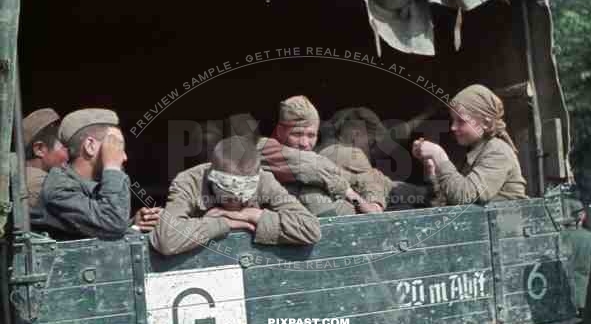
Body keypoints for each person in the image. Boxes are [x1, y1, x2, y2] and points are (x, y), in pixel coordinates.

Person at [150, 136, 321, 255]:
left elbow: (310, 228)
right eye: (229, 197)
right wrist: (224, 223)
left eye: (244, 197)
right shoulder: (188, 182)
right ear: (212, 177)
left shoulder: (265, 181)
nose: (237, 202)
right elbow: (167, 239)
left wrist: (252, 215)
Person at [31, 108, 160, 240]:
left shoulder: (88, 186)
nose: (124, 157)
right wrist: (112, 168)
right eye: (116, 146)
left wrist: (134, 225)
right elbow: (111, 224)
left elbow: (99, 231)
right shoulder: (59, 189)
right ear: (90, 146)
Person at [257, 95, 382, 216]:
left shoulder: (324, 165)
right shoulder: (261, 149)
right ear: (280, 131)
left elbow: (368, 177)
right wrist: (350, 194)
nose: (304, 143)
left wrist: (374, 203)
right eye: (297, 134)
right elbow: (310, 165)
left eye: (311, 135)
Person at [412, 84, 527, 205]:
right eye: (453, 120)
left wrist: (438, 155)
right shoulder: (473, 152)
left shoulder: (498, 151)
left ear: (486, 124)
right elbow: (448, 200)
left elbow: (464, 196)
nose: (453, 127)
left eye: (461, 121)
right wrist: (432, 170)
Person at [22, 108, 69, 208]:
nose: (70, 152)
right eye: (64, 146)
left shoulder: (24, 176)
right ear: (40, 149)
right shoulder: (40, 184)